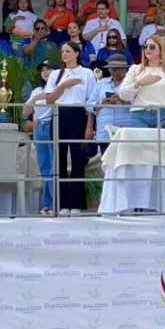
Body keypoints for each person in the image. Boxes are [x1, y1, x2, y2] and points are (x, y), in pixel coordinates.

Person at [42, 41, 97, 215]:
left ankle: (77, 203)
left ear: (76, 53)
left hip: (78, 114)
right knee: (59, 159)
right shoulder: (56, 74)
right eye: (62, 51)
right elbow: (49, 99)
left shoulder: (87, 73)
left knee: (77, 159)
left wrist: (89, 126)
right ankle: (62, 202)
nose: (64, 54)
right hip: (59, 114)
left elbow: (91, 101)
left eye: (68, 51)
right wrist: (64, 85)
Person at [119, 35, 165, 128]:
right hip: (139, 115)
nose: (148, 49)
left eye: (152, 47)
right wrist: (139, 83)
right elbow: (123, 95)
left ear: (161, 50)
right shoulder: (135, 69)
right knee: (140, 142)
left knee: (162, 142)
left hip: (164, 115)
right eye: (145, 47)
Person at [22, 60, 59, 215]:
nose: (45, 72)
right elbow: (25, 111)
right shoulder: (36, 90)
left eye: (49, 69)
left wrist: (38, 98)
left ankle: (54, 203)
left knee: (53, 167)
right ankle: (47, 203)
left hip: (53, 124)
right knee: (44, 166)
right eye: (43, 69)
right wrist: (34, 98)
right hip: (39, 126)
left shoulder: (59, 88)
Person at [85, 54, 132, 157]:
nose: (115, 72)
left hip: (125, 129)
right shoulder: (101, 83)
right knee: (106, 162)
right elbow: (89, 105)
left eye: (119, 69)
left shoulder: (131, 84)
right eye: (113, 69)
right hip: (104, 130)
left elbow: (137, 105)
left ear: (125, 69)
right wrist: (102, 102)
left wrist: (123, 100)